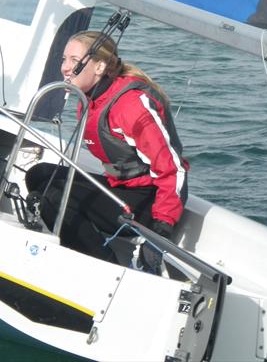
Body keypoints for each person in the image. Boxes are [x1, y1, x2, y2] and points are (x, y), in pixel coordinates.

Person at [25, 30, 189, 266]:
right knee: (38, 175)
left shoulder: (131, 106)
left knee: (52, 198)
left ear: (100, 67)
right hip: (120, 188)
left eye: (74, 60)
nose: (65, 67)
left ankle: (105, 264)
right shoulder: (93, 97)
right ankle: (75, 244)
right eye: (64, 59)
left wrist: (160, 231)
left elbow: (173, 170)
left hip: (146, 205)